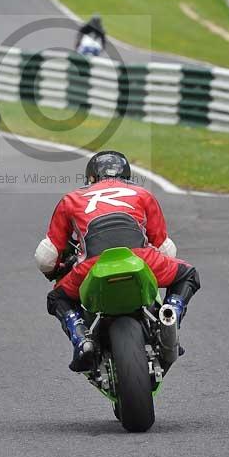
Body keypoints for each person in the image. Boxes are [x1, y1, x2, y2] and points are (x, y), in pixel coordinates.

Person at [35, 150, 199, 372]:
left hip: (92, 265)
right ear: (127, 176)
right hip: (140, 260)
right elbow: (166, 250)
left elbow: (45, 258)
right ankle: (170, 314)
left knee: (57, 298)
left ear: (91, 178)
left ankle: (81, 337)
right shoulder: (143, 194)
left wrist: (57, 269)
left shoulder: (71, 199)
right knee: (188, 274)